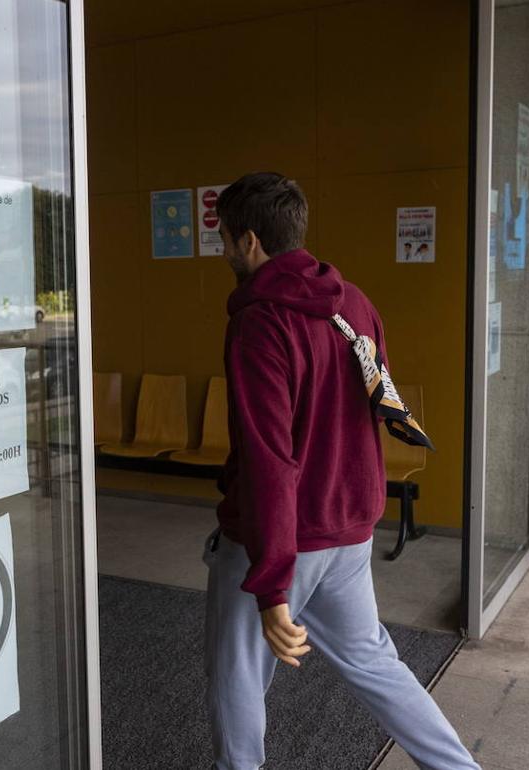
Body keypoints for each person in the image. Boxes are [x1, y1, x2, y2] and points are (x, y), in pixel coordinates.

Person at [205, 172, 480, 770]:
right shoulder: (354, 303)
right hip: (350, 530)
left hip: (282, 540)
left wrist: (272, 582)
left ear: (249, 241)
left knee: (239, 677)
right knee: (376, 663)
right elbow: (372, 409)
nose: (223, 252)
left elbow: (268, 457)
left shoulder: (260, 323)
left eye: (224, 239)